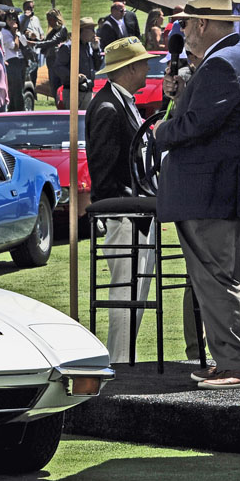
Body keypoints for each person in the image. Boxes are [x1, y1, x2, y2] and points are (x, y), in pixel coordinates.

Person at [154, 0, 240, 389]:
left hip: (208, 188)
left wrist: (163, 130)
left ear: (201, 23)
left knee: (215, 278)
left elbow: (197, 126)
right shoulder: (232, 58)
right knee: (230, 277)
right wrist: (183, 92)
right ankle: (236, 358)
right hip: (220, 187)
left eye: (185, 24)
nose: (183, 33)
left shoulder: (222, 65)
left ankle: (234, 364)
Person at [85, 37, 161, 364]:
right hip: (126, 217)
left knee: (135, 296)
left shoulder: (120, 101)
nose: (148, 67)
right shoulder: (107, 107)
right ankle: (118, 363)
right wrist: (121, 210)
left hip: (137, 214)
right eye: (143, 63)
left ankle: (123, 361)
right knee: (125, 296)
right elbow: (102, 171)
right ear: (129, 69)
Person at [53, 17, 101, 110]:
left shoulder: (90, 46)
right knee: (73, 122)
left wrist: (96, 50)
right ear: (82, 31)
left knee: (85, 121)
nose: (94, 33)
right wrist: (74, 76)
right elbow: (58, 67)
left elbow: (97, 66)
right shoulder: (67, 47)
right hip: (72, 92)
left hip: (88, 91)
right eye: (91, 30)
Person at [30, 9, 69, 105]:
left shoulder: (62, 30)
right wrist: (35, 40)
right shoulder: (53, 31)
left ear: (56, 19)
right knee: (54, 88)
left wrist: (35, 44)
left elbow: (52, 42)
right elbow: (46, 42)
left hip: (58, 63)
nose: (49, 22)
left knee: (59, 87)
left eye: (50, 20)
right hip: (51, 63)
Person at [1, 17, 27, 111]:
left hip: (19, 61)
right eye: (9, 20)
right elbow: (15, 47)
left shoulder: (16, 32)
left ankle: (14, 109)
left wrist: (19, 33)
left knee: (19, 88)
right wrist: (15, 34)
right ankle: (18, 110)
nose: (12, 22)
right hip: (11, 61)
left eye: (14, 19)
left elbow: (24, 43)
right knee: (16, 90)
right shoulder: (5, 32)